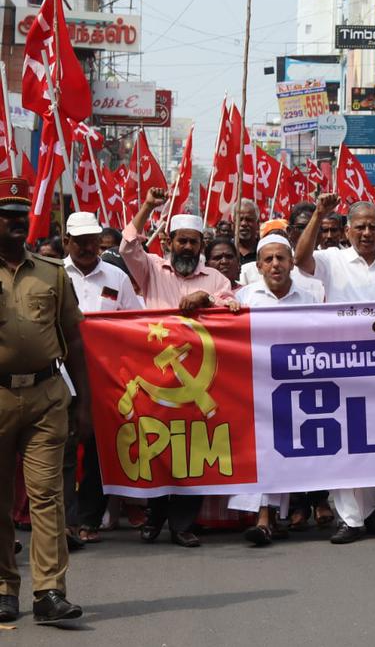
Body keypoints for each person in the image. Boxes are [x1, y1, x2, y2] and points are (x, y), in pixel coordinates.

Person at [295, 194, 375, 544]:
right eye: (359, 227)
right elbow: (301, 258)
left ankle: (367, 510)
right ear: (347, 231)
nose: (366, 233)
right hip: (342, 369)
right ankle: (350, 518)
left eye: (372, 227)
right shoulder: (332, 260)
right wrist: (319, 214)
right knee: (345, 444)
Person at [122, 189, 238, 548]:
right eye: (181, 241)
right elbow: (128, 247)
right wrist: (147, 206)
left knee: (193, 450)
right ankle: (154, 517)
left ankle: (183, 524)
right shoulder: (152, 270)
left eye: (193, 241)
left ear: (202, 244)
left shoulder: (215, 278)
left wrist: (207, 299)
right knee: (158, 445)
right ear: (169, 241)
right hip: (157, 376)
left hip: (203, 379)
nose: (187, 247)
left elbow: (232, 304)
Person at [0, 179, 90, 624]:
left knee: (47, 497)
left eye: (22, 215)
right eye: (7, 216)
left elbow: (73, 337)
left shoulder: (52, 272)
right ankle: (4, 587)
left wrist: (84, 404)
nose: (18, 223)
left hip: (46, 395)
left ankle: (49, 591)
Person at [230, 235, 321, 546]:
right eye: (268, 260)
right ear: (258, 266)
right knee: (262, 448)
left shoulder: (309, 297)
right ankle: (264, 517)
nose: (275, 265)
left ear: (292, 263)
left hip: (295, 385)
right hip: (253, 386)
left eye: (281, 258)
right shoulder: (243, 298)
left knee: (284, 449)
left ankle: (275, 516)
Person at [61, 213, 142, 548]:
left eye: (91, 240)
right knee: (61, 453)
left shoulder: (116, 277)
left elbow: (135, 322)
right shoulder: (54, 275)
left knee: (97, 451)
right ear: (66, 241)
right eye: (79, 240)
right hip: (60, 378)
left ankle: (88, 520)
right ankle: (64, 523)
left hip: (104, 381)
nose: (86, 247)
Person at [233, 198, 259, 264]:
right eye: (240, 219)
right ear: (233, 223)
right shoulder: (226, 251)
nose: (244, 224)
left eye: (249, 219)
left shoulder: (264, 251)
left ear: (257, 223)